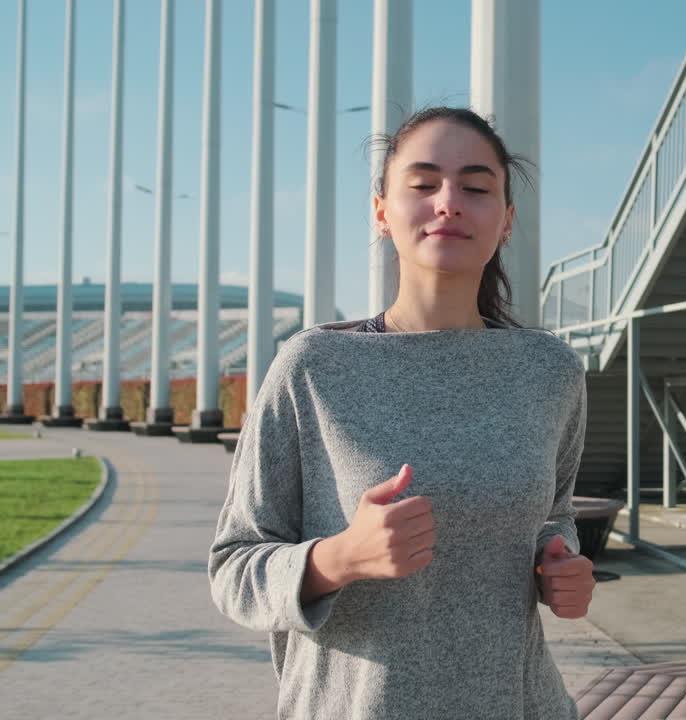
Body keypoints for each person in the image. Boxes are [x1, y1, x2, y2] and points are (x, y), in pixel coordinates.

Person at [208, 106, 594, 720]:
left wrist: (561, 568)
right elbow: (235, 567)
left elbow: (551, 517)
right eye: (422, 184)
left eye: (475, 186)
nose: (449, 202)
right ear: (382, 211)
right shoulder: (313, 367)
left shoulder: (550, 372)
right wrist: (338, 558)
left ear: (507, 221)